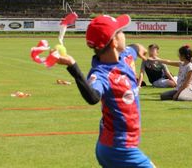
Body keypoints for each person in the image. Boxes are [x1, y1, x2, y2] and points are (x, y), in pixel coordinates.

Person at [57, 14, 155, 168]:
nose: (124, 35)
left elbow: (136, 47)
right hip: (118, 148)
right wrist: (73, 66)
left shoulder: (126, 55)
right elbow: (93, 97)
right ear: (114, 41)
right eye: (121, 31)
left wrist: (141, 49)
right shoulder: (101, 74)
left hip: (117, 146)